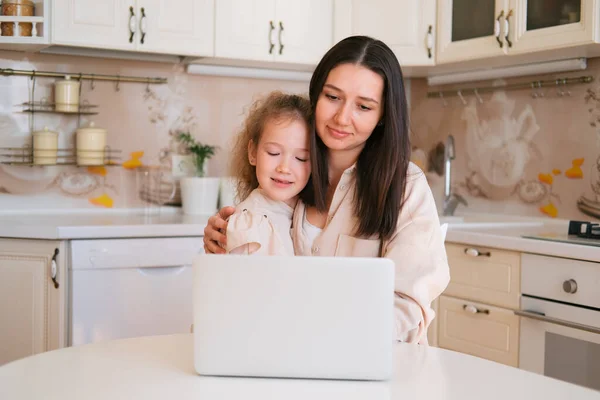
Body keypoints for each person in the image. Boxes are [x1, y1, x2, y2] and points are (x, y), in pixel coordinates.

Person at [204, 36, 450, 344]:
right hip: (289, 360)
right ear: (316, 93)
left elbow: (408, 306)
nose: (342, 117)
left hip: (373, 366)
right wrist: (228, 239)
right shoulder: (291, 172)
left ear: (383, 115)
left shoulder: (405, 186)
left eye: (363, 106)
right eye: (333, 97)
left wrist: (325, 336)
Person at [225, 91, 312, 255]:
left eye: (301, 158)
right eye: (273, 153)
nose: (284, 168)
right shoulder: (250, 222)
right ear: (252, 152)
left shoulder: (304, 213)